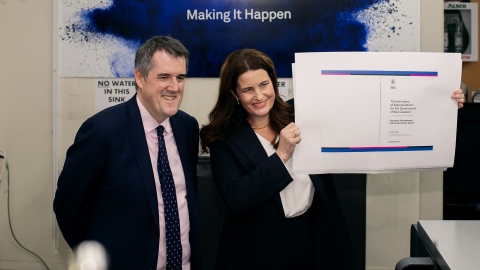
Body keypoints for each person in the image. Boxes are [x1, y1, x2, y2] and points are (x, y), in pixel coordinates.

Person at [199, 49, 465, 270]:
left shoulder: (302, 111)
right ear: (234, 94)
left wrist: (443, 101)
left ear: (274, 82)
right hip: (255, 251)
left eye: (264, 84)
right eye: (247, 89)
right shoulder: (221, 136)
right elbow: (236, 198)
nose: (259, 96)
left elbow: (369, 105)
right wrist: (281, 156)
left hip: (311, 237)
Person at [54, 36, 201, 270]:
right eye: (164, 77)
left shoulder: (187, 127)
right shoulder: (102, 131)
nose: (174, 87)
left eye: (180, 77)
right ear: (140, 78)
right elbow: (67, 206)